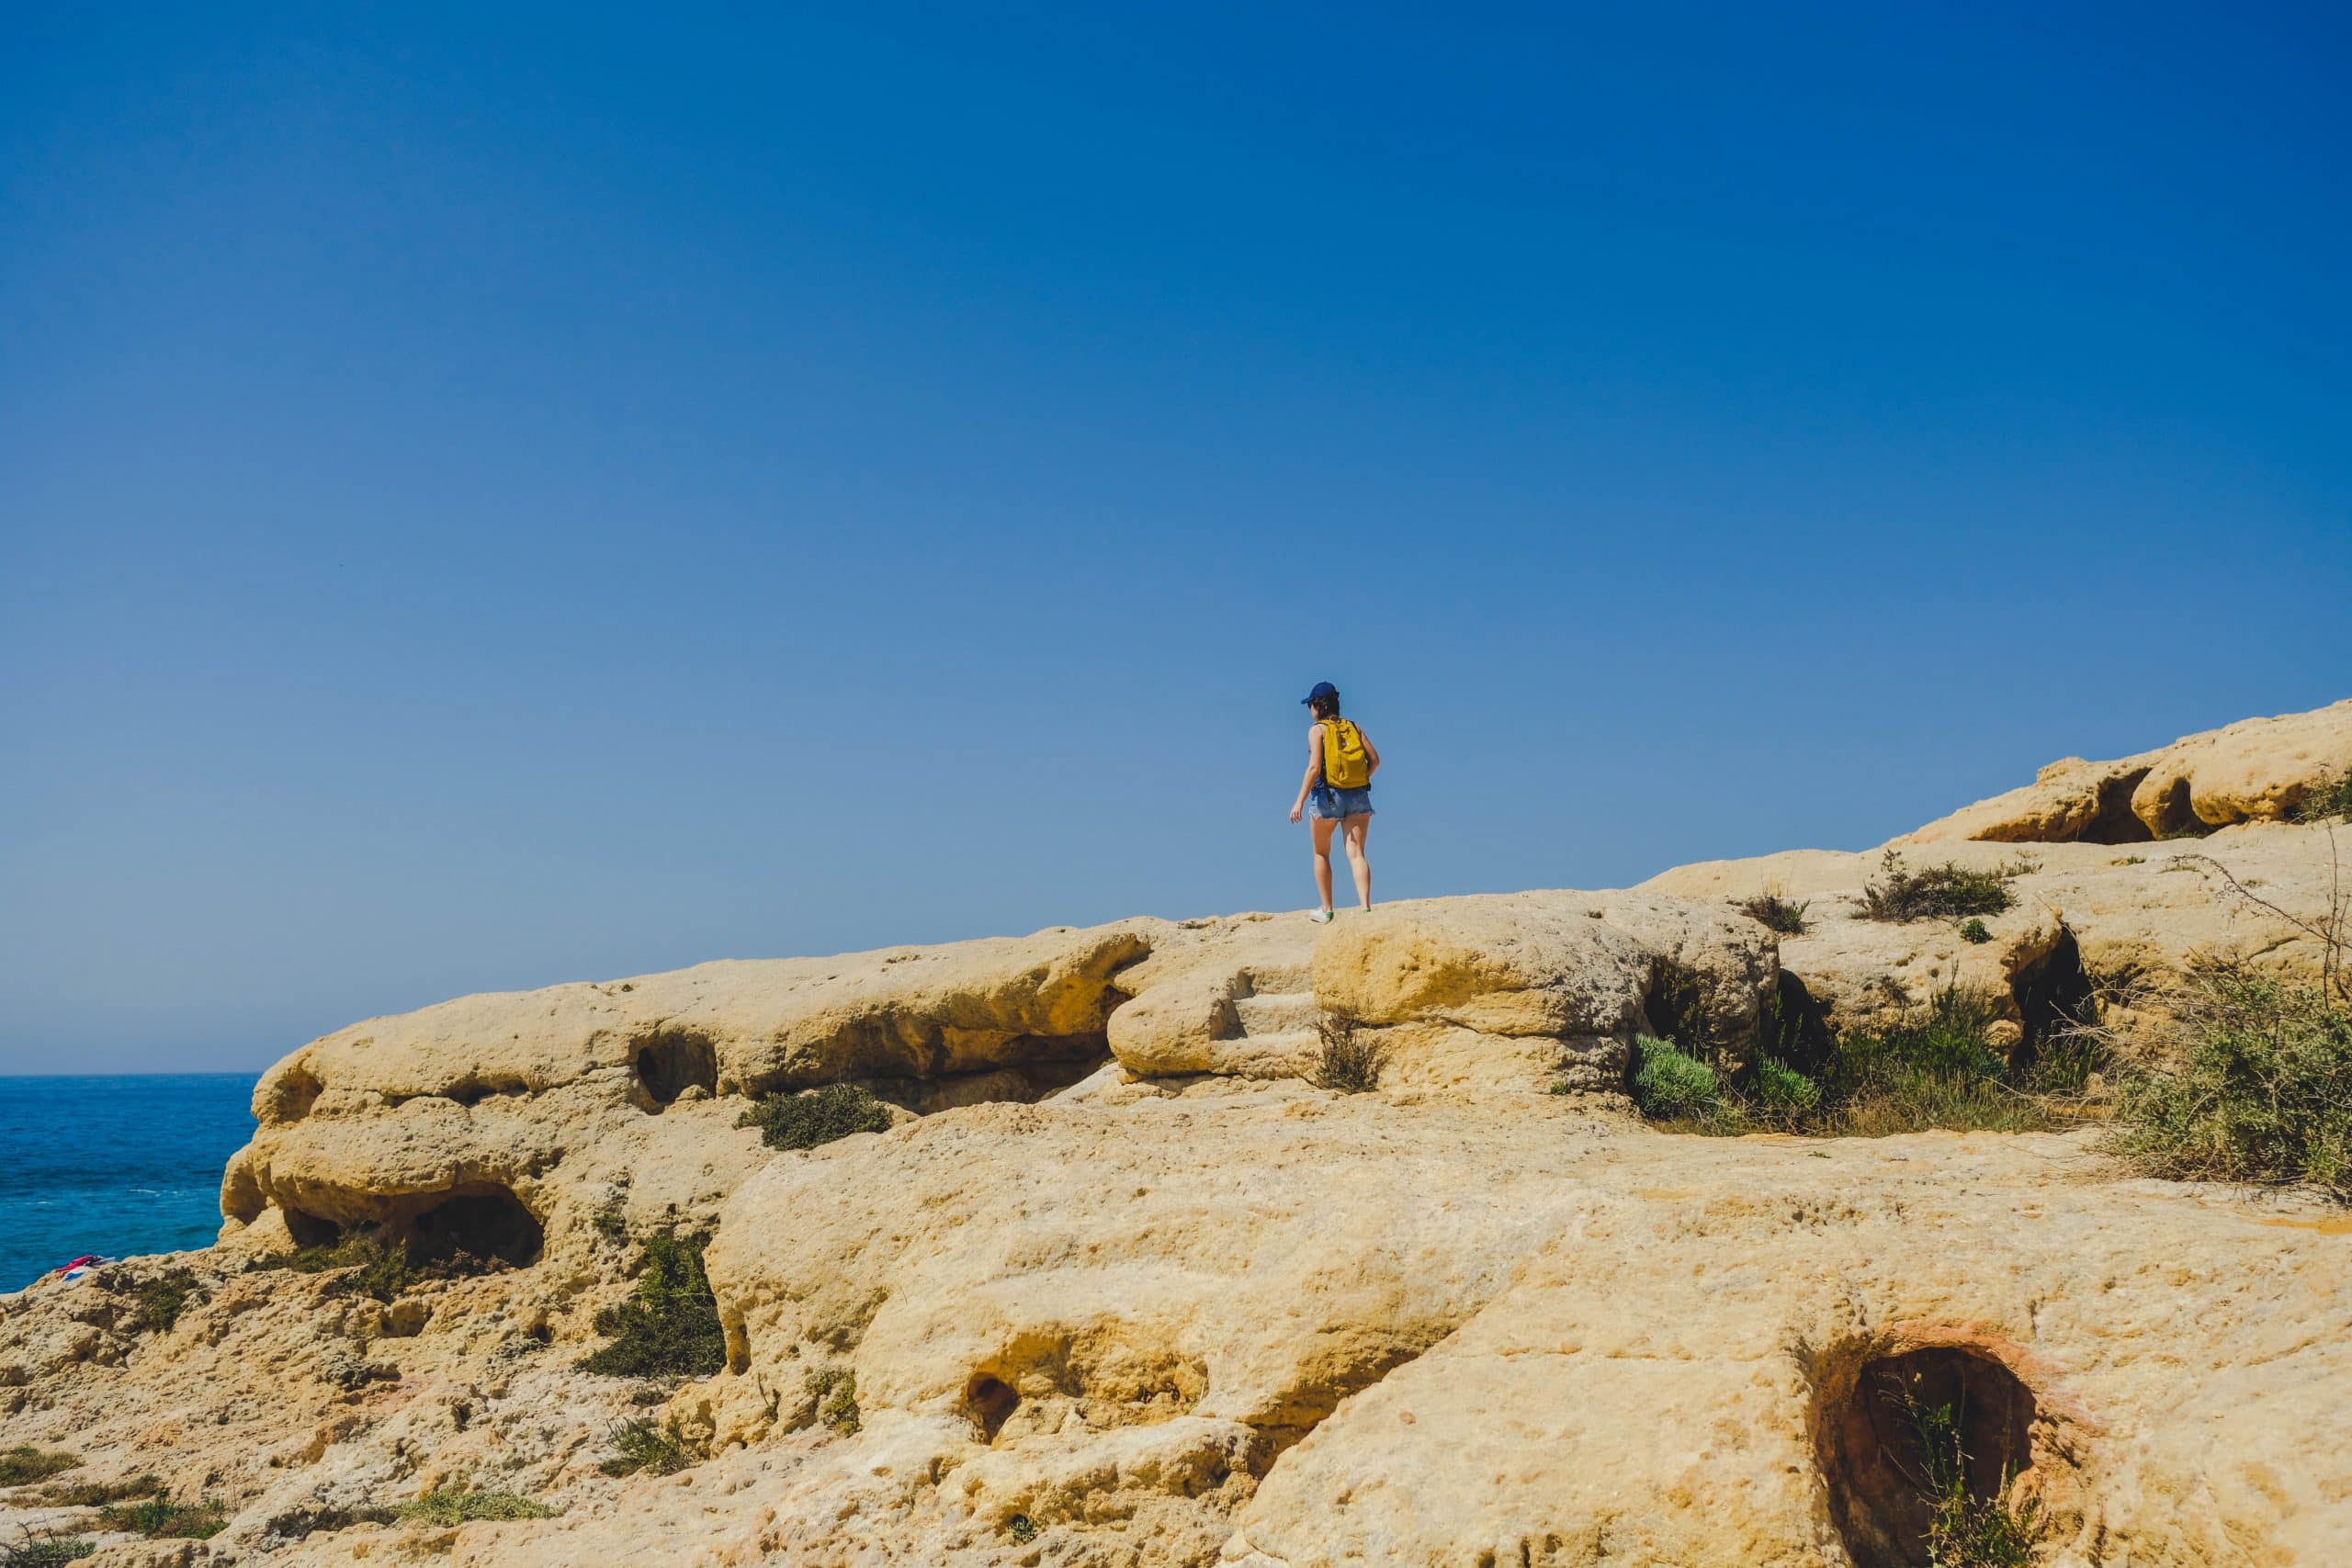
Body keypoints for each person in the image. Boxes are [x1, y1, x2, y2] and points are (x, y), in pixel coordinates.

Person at [1286, 681, 1378, 921]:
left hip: (1327, 797)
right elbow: (1375, 760)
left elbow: (1314, 767)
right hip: (1358, 795)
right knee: (1357, 853)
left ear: (1317, 706)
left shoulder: (1317, 730)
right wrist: (1357, 780)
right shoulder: (1354, 727)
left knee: (1321, 853)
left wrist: (1298, 802)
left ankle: (1327, 910)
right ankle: (1365, 908)